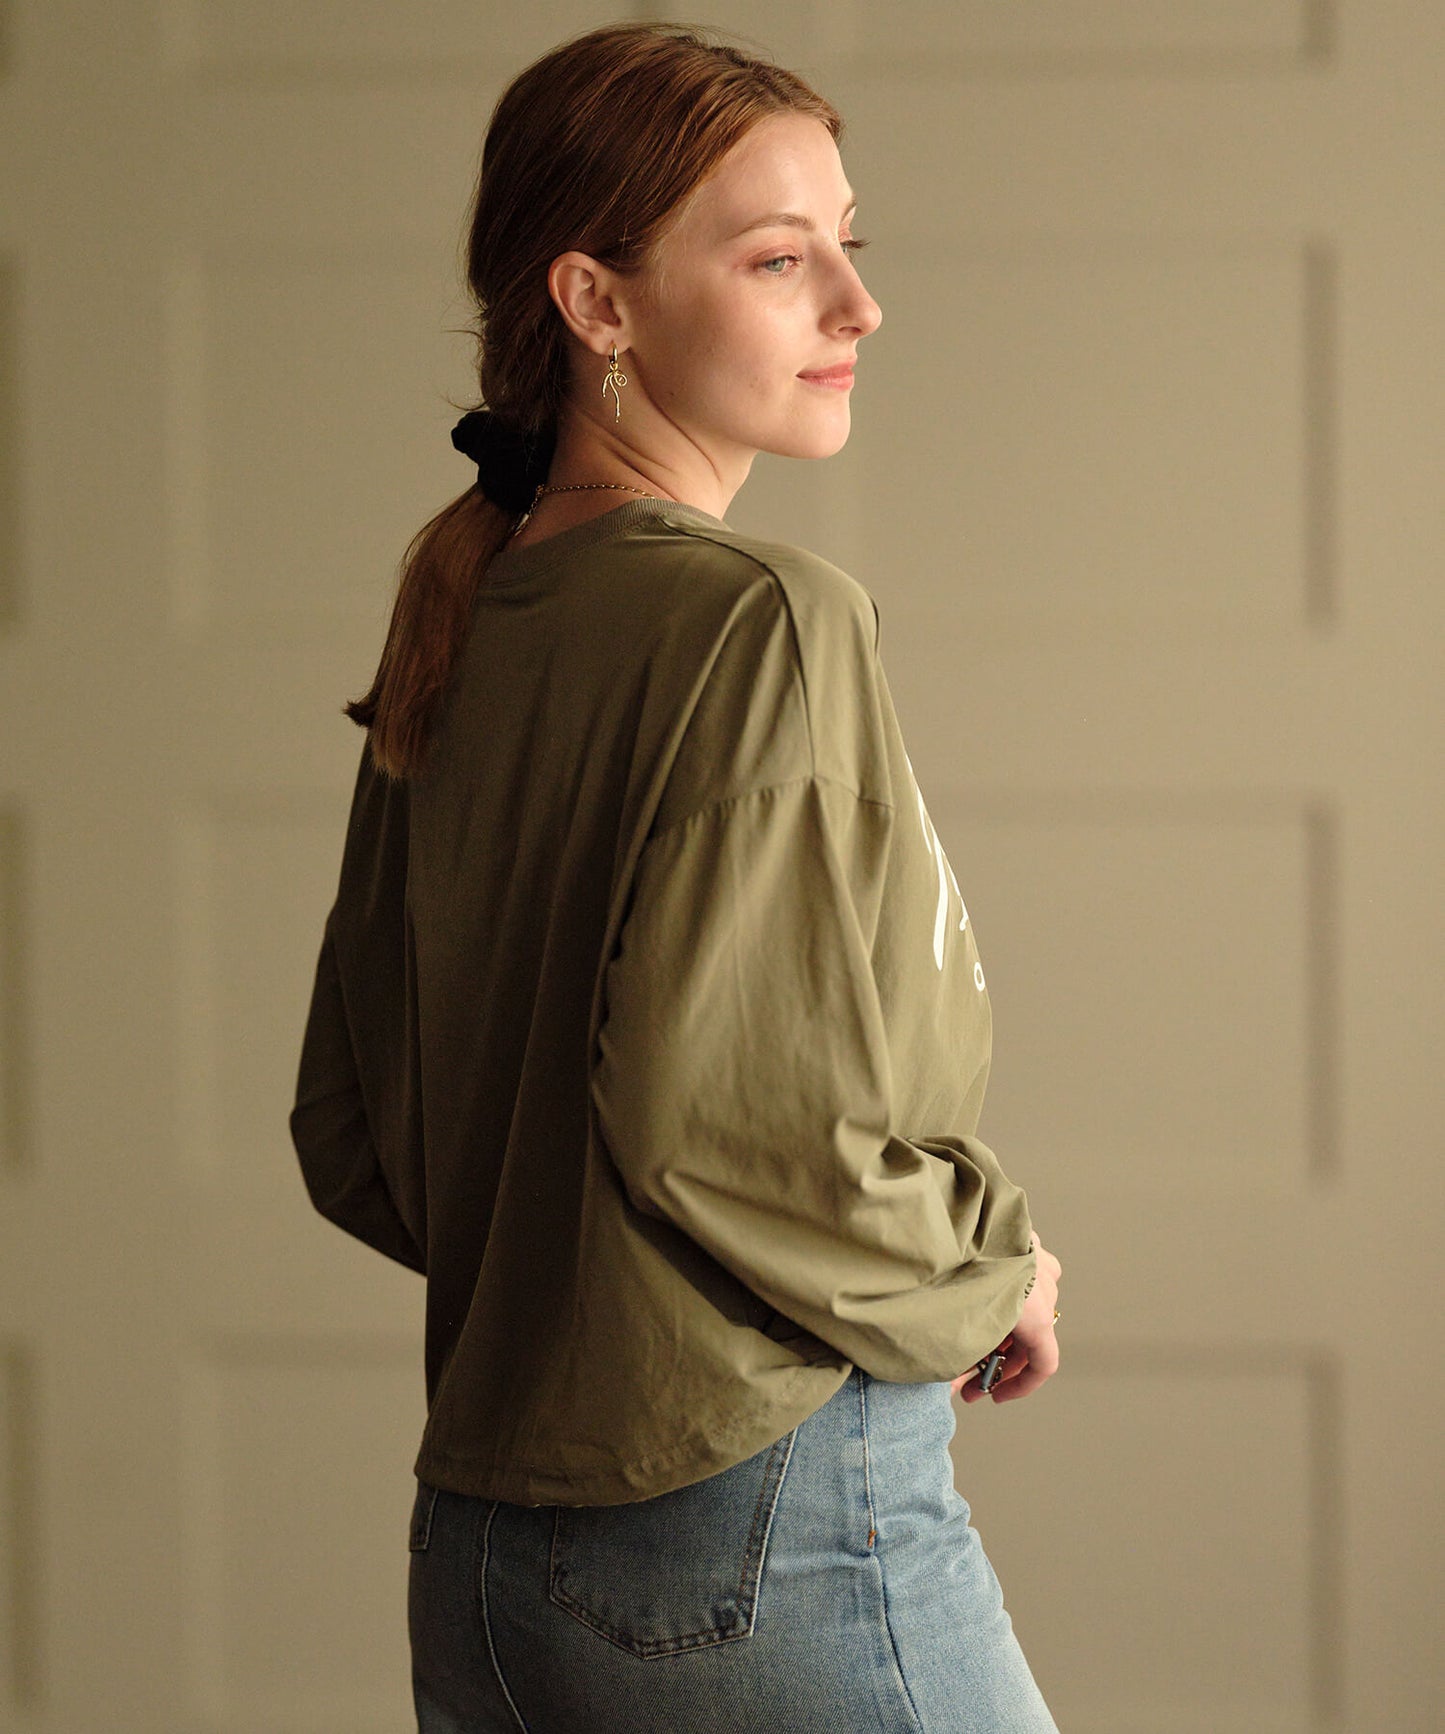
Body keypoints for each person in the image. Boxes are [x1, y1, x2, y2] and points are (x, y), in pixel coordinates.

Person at [290, 20, 1063, 1733]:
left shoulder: (459, 624)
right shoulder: (758, 617)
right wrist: (985, 1271)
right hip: (751, 1526)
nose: (857, 307)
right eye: (780, 260)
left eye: (846, 246)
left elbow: (354, 1135)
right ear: (597, 302)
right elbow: (733, 1128)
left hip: (484, 1566)